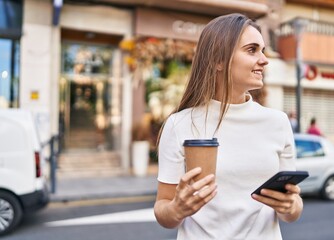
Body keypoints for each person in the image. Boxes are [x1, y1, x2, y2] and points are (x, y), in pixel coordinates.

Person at [154, 13, 303, 240]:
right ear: (218, 60)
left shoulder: (278, 122)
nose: (264, 59)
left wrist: (290, 207)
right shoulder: (179, 124)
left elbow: (292, 208)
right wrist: (176, 209)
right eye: (252, 50)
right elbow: (163, 210)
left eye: (263, 50)